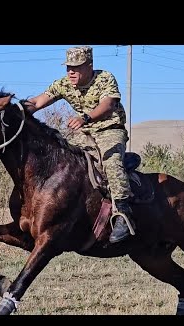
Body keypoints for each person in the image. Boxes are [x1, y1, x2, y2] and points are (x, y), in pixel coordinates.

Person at [24, 46, 135, 243]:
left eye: (76, 68)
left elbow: (108, 104)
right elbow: (38, 102)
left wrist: (86, 117)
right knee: (65, 161)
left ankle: (124, 215)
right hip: (84, 134)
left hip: (109, 129)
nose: (71, 72)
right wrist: (14, 109)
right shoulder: (64, 84)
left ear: (89, 66)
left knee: (110, 163)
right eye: (68, 68)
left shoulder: (104, 78)